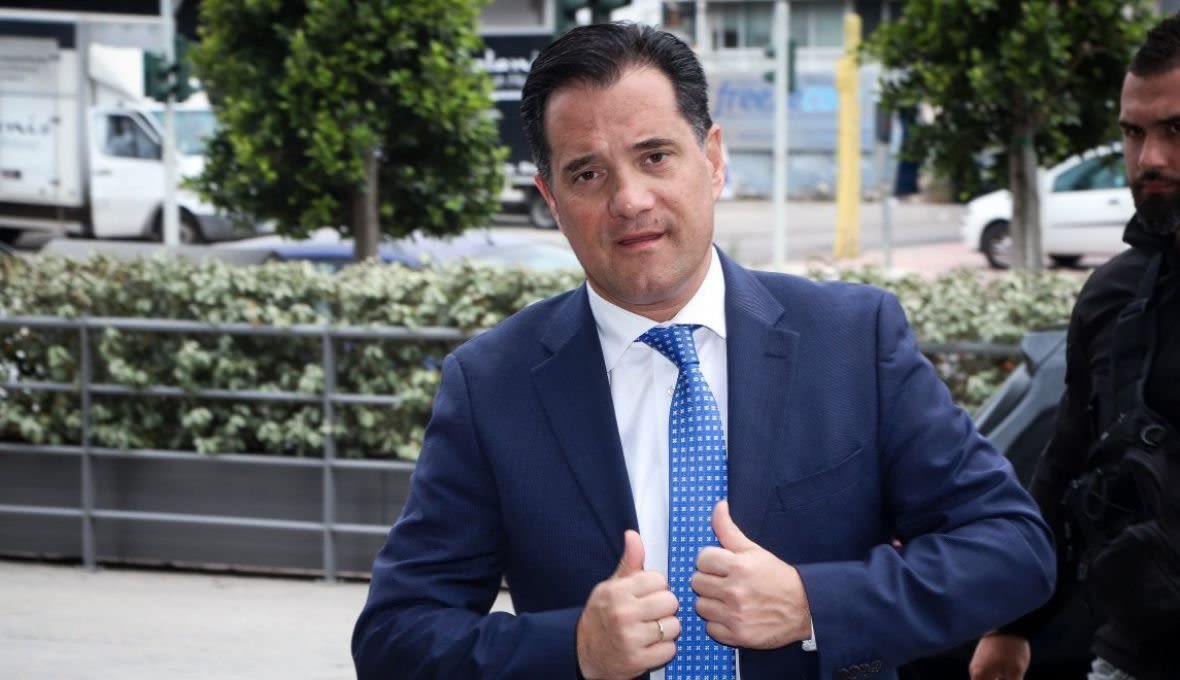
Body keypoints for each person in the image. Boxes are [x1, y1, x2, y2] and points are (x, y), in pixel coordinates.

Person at [353, 22, 1054, 680]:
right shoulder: (491, 384)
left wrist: (813, 604)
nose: (630, 199)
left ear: (713, 160)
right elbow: (395, 635)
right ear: (552, 199)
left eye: (654, 156)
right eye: (588, 174)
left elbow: (1012, 548)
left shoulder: (852, 338)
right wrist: (573, 648)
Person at [969, 14, 1180, 680]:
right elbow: (1065, 464)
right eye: (1134, 132)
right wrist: (1013, 624)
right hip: (1137, 654)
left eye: (1176, 131)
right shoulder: (1117, 293)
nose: (1150, 159)